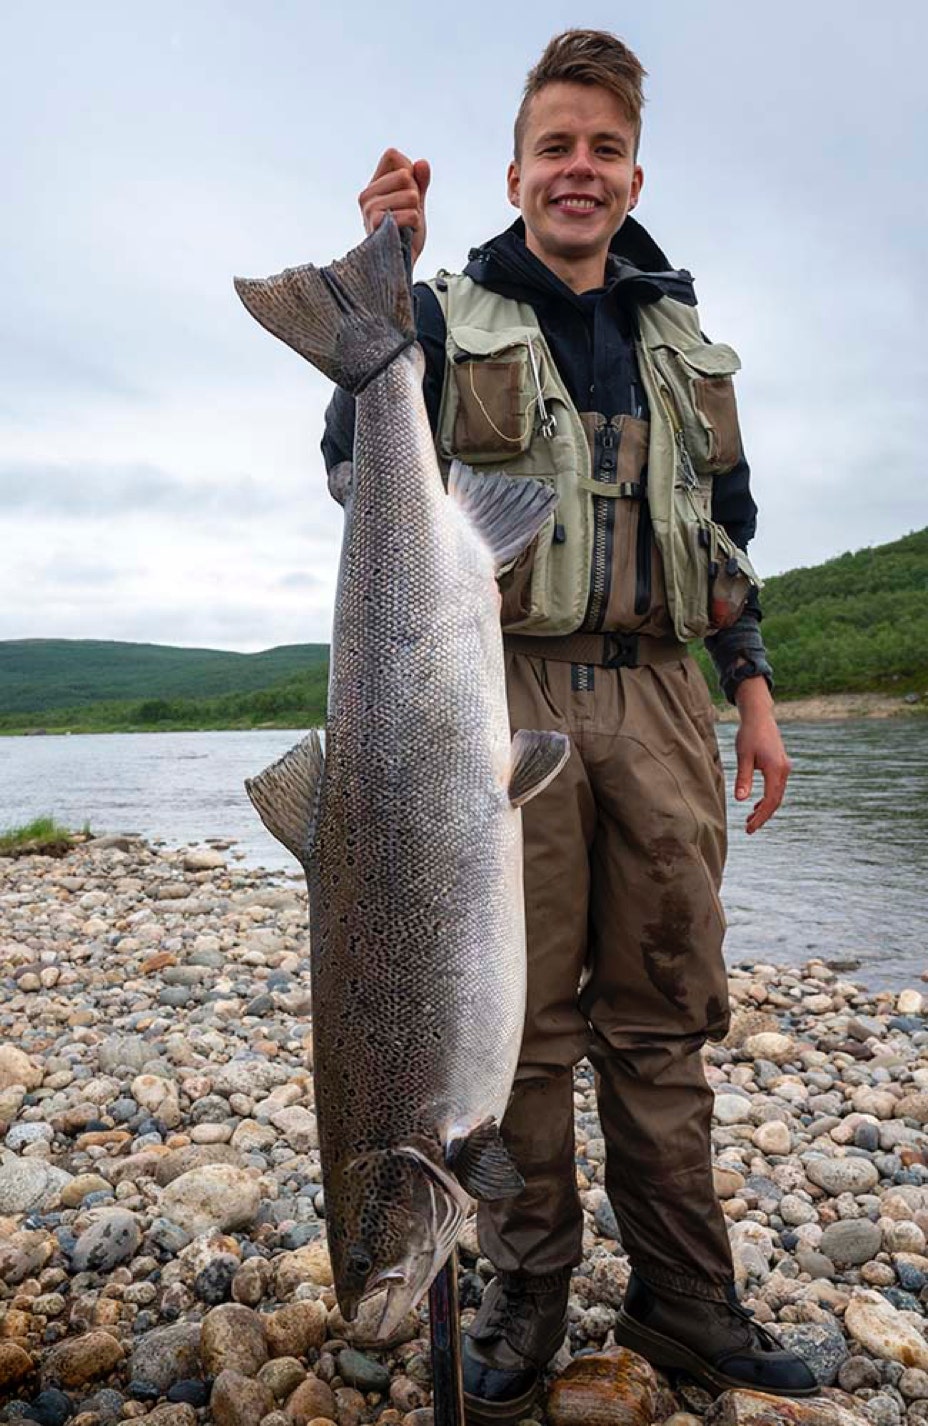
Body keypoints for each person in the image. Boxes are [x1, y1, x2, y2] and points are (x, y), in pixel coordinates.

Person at [322, 29, 816, 1422]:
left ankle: (688, 1297)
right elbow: (357, 468)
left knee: (668, 1014)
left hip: (665, 695)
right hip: (501, 686)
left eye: (602, 149)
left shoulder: (682, 340)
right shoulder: (444, 312)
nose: (579, 172)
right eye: (556, 148)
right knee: (512, 1025)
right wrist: (384, 272)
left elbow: (726, 537)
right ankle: (526, 1290)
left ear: (633, 170)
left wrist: (756, 692)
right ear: (518, 171)